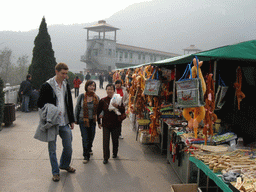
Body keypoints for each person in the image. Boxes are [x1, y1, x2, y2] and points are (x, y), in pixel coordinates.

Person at [36, 63, 75, 182]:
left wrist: (71, 119)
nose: (65, 76)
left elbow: (69, 102)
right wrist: (51, 110)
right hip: (52, 122)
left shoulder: (65, 85)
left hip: (64, 121)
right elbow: (40, 103)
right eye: (63, 73)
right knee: (52, 149)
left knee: (68, 146)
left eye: (66, 73)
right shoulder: (47, 86)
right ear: (56, 72)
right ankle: (55, 172)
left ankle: (64, 164)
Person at [97, 84, 125, 164]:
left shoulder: (118, 99)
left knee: (115, 140)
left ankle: (115, 152)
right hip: (106, 124)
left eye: (111, 89)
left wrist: (118, 106)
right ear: (106, 90)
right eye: (108, 89)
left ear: (114, 90)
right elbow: (98, 112)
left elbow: (123, 110)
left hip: (116, 123)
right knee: (105, 141)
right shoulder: (103, 100)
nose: (109, 91)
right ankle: (106, 157)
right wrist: (99, 122)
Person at [74, 80, 100, 164]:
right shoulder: (81, 96)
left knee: (91, 136)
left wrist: (101, 117)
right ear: (86, 87)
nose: (92, 87)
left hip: (92, 121)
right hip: (83, 120)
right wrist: (75, 118)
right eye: (90, 86)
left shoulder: (96, 97)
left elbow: (100, 110)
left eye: (93, 86)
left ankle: (89, 147)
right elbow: (77, 107)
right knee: (85, 138)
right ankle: (86, 155)